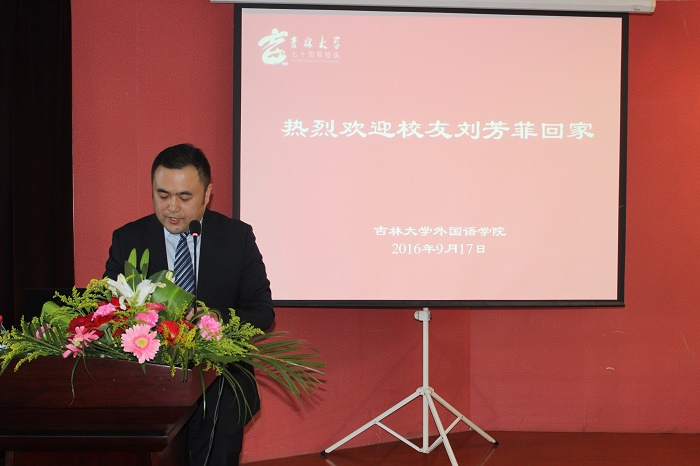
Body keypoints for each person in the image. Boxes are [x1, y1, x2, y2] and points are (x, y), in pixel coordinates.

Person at [104, 143, 275, 465]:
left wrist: (214, 321)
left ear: (207, 194)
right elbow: (111, 310)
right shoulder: (129, 239)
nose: (172, 208)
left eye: (184, 197)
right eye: (163, 195)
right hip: (151, 379)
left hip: (220, 379)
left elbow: (262, 311)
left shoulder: (236, 237)